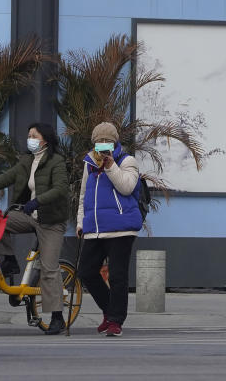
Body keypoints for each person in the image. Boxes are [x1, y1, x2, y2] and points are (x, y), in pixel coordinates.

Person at [0, 121, 70, 335]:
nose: (29, 139)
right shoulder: (27, 160)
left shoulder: (56, 161)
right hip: (30, 216)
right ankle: (9, 261)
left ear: (45, 139)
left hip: (51, 220)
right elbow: (7, 177)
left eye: (33, 135)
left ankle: (57, 317)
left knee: (49, 268)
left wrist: (38, 201)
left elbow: (61, 188)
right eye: (28, 135)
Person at [75, 122, 142, 337]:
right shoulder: (89, 164)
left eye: (107, 142)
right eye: (99, 142)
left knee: (118, 276)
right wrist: (80, 222)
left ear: (115, 142)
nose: (103, 146)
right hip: (95, 228)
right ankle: (108, 310)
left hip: (121, 228)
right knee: (86, 271)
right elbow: (83, 196)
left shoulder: (127, 160)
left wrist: (111, 166)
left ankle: (115, 321)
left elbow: (127, 187)